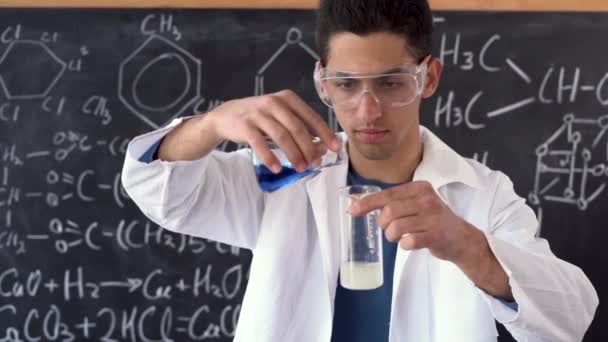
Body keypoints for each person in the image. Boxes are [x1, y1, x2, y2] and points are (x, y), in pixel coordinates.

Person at [121, 0, 598, 341]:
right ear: (321, 81)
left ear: (428, 77)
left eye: (391, 82)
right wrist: (210, 124)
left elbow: (570, 319)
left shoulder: (482, 194)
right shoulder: (284, 177)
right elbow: (157, 189)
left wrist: (468, 246)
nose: (367, 111)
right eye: (346, 84)